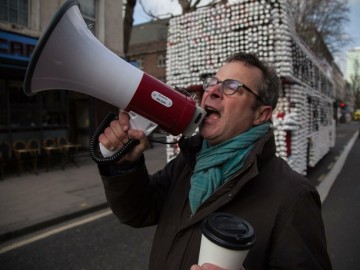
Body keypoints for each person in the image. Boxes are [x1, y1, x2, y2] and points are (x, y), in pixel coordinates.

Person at [97, 52, 332, 269]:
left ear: (261, 114)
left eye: (232, 86)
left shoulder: (294, 196)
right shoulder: (188, 162)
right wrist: (125, 165)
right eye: (212, 82)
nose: (212, 91)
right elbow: (139, 212)